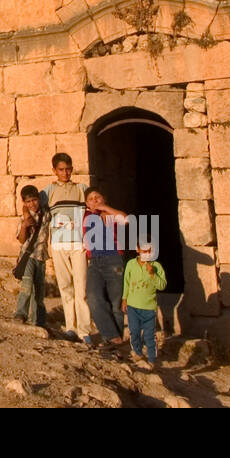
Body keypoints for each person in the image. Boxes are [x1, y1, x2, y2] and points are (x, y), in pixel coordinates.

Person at [40, 153, 91, 342]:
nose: (65, 173)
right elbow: (36, 211)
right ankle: (71, 328)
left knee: (81, 288)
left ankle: (85, 330)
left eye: (68, 169)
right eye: (61, 169)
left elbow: (94, 209)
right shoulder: (48, 191)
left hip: (79, 243)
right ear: (54, 171)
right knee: (65, 286)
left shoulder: (81, 189)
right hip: (59, 244)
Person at [83, 187, 131, 353]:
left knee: (116, 304)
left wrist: (106, 208)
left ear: (104, 199)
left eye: (98, 197)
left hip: (113, 260)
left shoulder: (111, 214)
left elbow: (126, 220)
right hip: (94, 262)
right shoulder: (85, 216)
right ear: (86, 203)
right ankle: (113, 337)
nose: (95, 201)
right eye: (91, 198)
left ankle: (112, 344)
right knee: (93, 297)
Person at [123, 241, 167, 369]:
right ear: (137, 250)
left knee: (149, 335)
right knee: (134, 332)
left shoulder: (156, 266)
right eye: (144, 251)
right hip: (133, 306)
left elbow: (162, 285)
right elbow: (126, 282)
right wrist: (124, 299)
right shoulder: (131, 264)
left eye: (149, 251)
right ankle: (138, 353)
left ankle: (152, 360)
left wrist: (153, 274)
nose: (147, 254)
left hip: (149, 307)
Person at [12, 185, 49, 326]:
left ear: (39, 199)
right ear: (24, 203)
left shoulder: (45, 213)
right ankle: (20, 313)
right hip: (28, 256)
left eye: (34, 200)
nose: (32, 204)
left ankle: (38, 319)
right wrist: (24, 226)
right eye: (28, 202)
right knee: (27, 286)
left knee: (39, 290)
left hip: (41, 256)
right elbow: (21, 240)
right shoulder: (24, 218)